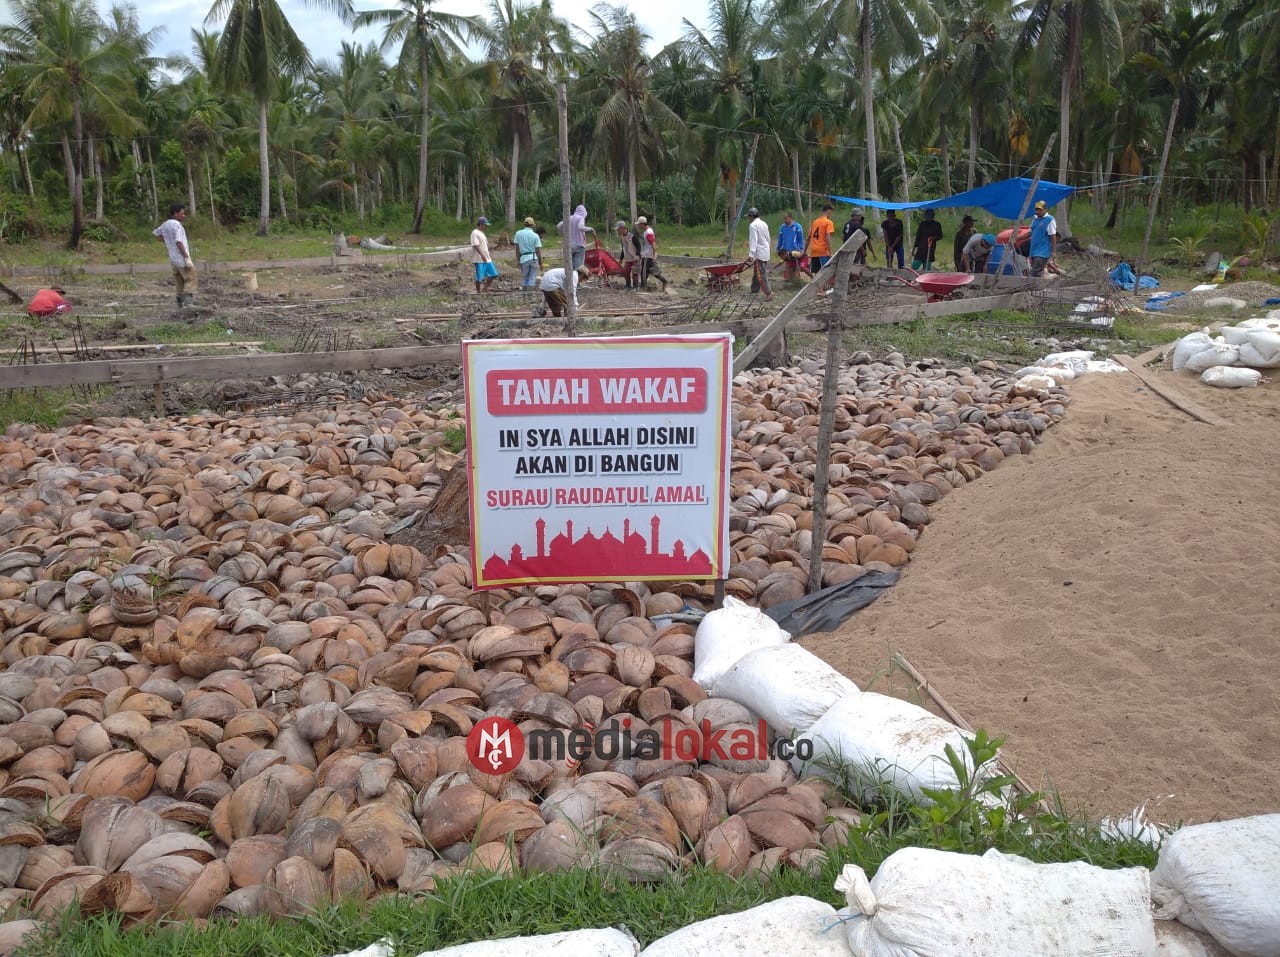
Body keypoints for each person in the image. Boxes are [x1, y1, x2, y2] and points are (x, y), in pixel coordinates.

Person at [154, 202, 196, 308]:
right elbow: (178, 241)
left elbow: (156, 233)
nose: (184, 215)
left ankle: (179, 302)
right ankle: (187, 302)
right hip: (181, 258)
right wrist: (186, 257)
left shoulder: (165, 224)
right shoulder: (177, 225)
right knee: (191, 278)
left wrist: (168, 241)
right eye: (182, 213)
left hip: (173, 259)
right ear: (175, 214)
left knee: (179, 281)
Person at [746, 208, 772, 301]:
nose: (748, 218)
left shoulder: (753, 225)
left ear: (751, 216)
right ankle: (754, 289)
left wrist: (751, 255)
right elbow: (768, 238)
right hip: (765, 251)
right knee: (757, 271)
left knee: (761, 274)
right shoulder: (764, 223)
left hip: (759, 253)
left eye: (749, 216)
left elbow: (754, 240)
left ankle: (768, 292)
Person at [557, 204, 595, 270]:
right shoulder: (580, 218)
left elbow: (558, 226)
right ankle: (577, 278)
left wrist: (565, 234)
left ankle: (571, 279)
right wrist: (591, 229)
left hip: (569, 246)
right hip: (579, 246)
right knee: (579, 267)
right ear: (584, 212)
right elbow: (581, 227)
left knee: (571, 266)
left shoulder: (570, 217)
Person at [635, 216, 668, 291]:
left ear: (643, 224)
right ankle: (664, 281)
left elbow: (653, 244)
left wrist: (654, 255)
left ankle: (643, 286)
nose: (639, 226)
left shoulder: (648, 232)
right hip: (646, 254)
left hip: (648, 255)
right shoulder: (647, 231)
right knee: (652, 271)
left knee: (644, 271)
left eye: (639, 224)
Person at [1029, 200, 1059, 277]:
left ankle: (1027, 286)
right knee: (1038, 273)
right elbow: (1030, 232)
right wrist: (1016, 237)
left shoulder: (1050, 220)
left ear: (1045, 210)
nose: (1038, 212)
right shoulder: (1035, 219)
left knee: (1033, 273)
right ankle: (1050, 280)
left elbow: (1053, 236)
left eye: (1040, 210)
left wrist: (1054, 252)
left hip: (1042, 253)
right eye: (1036, 209)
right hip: (1033, 251)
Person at [513, 216, 542, 290]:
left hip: (523, 258)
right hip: (533, 258)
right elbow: (538, 250)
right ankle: (530, 294)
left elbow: (517, 249)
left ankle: (524, 294)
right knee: (532, 277)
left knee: (524, 276)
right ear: (532, 225)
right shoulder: (535, 235)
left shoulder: (518, 233)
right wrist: (540, 262)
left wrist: (518, 260)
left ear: (524, 224)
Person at [806, 204, 836, 276]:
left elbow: (809, 237)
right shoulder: (828, 222)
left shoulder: (815, 222)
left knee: (817, 272)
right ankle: (822, 287)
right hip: (822, 251)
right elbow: (828, 237)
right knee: (824, 273)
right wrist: (830, 252)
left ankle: (818, 287)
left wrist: (804, 250)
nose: (830, 215)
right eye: (831, 213)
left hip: (814, 250)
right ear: (828, 211)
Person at [471, 216, 498, 293]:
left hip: (487, 258)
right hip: (479, 259)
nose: (486, 227)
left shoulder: (482, 233)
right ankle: (478, 292)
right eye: (485, 225)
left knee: (494, 274)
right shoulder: (474, 233)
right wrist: (482, 255)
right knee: (479, 277)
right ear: (481, 224)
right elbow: (476, 245)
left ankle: (485, 288)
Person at [776, 212, 807, 280]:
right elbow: (780, 239)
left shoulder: (797, 226)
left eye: (786, 219)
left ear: (790, 218)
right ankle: (790, 281)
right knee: (788, 268)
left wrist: (802, 249)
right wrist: (778, 248)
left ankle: (797, 281)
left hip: (795, 250)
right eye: (784, 219)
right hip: (786, 251)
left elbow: (800, 239)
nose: (784, 220)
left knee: (796, 267)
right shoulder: (782, 227)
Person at [615, 220, 640, 290]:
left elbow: (638, 246)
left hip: (634, 257)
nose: (618, 231)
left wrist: (638, 254)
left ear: (623, 228)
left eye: (618, 229)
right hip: (627, 258)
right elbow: (623, 248)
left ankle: (636, 286)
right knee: (626, 272)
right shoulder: (622, 237)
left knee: (635, 272)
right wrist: (621, 258)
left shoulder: (632, 236)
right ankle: (628, 285)